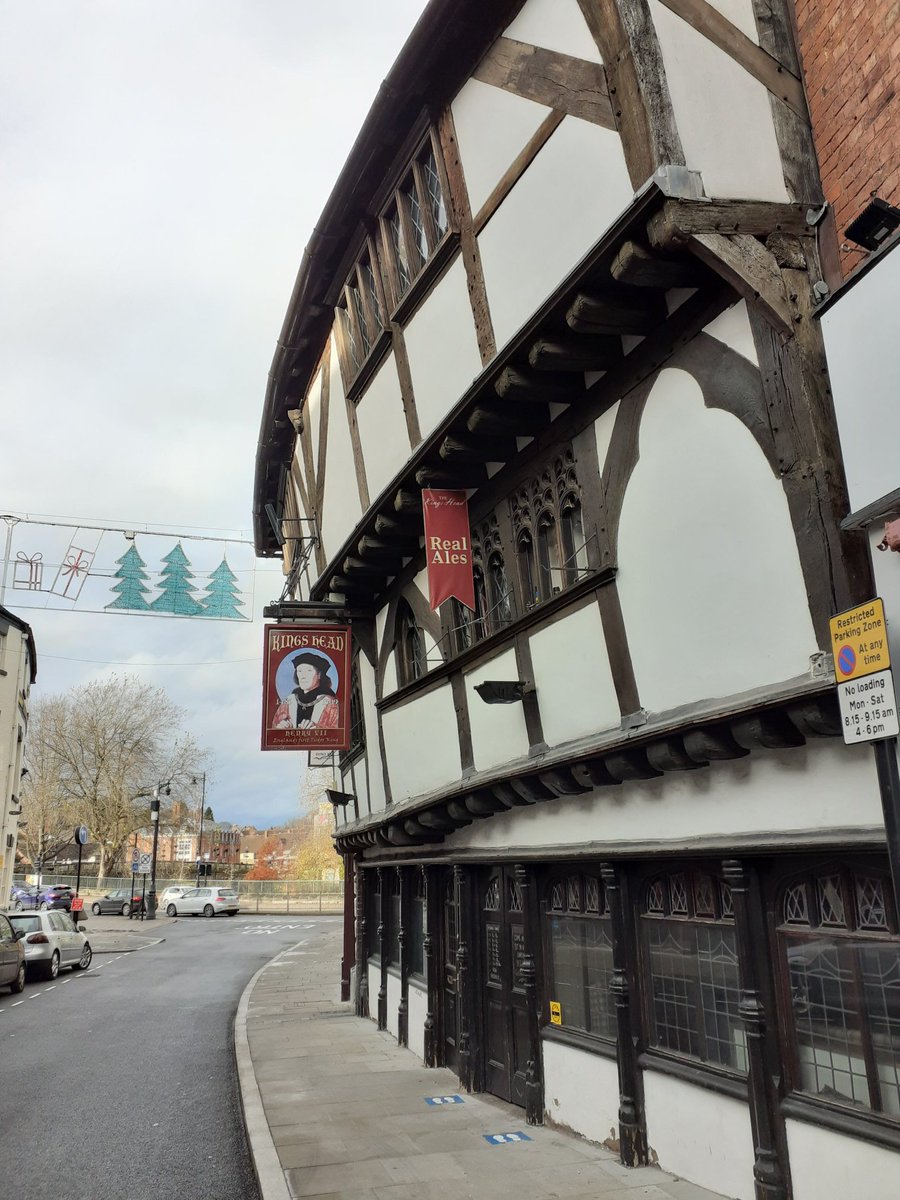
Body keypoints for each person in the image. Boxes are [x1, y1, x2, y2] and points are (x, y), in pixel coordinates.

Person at [272, 651, 340, 730]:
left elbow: (338, 734)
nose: (303, 676)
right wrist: (280, 729)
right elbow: (273, 730)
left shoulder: (331, 703)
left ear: (319, 675)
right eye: (299, 671)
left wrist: (318, 729)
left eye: (309, 671)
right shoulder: (289, 701)